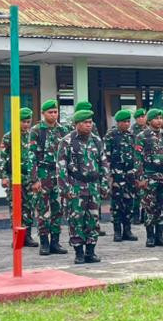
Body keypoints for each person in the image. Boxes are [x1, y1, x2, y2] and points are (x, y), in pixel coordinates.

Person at [61, 109, 108, 264]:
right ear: (77, 124)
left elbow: (103, 163)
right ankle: (79, 253)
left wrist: (104, 184)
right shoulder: (67, 141)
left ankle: (90, 251)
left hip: (93, 187)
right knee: (76, 220)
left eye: (90, 122)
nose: (89, 125)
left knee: (93, 220)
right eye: (85, 122)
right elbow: (61, 167)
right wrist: (65, 188)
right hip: (76, 186)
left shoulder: (96, 140)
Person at [30, 99, 68, 256]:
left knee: (58, 209)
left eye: (55, 112)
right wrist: (34, 179)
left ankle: (55, 242)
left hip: (58, 174)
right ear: (43, 114)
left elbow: (67, 154)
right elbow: (31, 156)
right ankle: (44, 242)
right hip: (43, 174)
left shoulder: (63, 130)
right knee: (43, 209)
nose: (53, 115)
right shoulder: (37, 130)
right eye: (50, 112)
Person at [0, 107, 38, 247]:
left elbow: (36, 157)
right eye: (23, 121)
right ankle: (18, 238)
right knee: (15, 207)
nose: (26, 124)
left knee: (29, 207)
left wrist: (37, 178)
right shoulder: (9, 136)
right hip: (14, 176)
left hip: (29, 176)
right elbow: (3, 157)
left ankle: (27, 236)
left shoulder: (33, 136)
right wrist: (3, 176)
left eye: (28, 122)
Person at [136, 109, 163, 248]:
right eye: (156, 118)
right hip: (149, 176)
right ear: (150, 120)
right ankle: (150, 237)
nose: (159, 121)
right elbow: (138, 159)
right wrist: (141, 178)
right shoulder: (142, 136)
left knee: (162, 207)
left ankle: (160, 236)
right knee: (150, 207)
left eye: (161, 118)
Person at [105, 109, 139, 242]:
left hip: (130, 175)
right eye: (124, 122)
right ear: (118, 122)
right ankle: (117, 231)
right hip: (117, 175)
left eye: (128, 121)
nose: (126, 124)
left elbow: (136, 155)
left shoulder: (132, 136)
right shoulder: (111, 135)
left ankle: (127, 230)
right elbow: (106, 157)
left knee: (129, 203)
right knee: (117, 204)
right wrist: (109, 176)